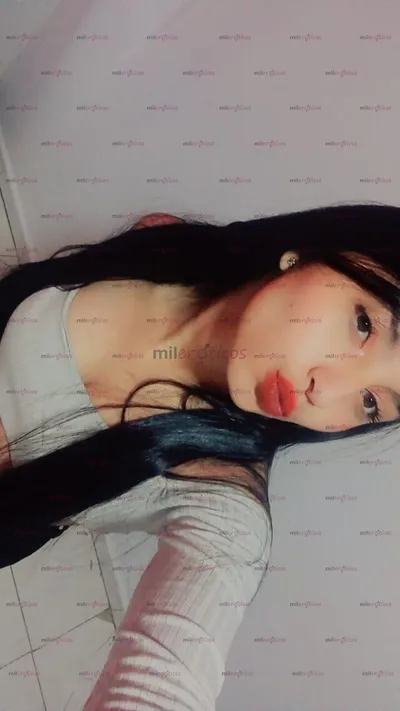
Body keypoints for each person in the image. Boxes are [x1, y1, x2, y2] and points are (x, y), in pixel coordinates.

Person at [1, 204, 400, 710]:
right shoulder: (160, 245)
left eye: (371, 403)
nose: (326, 391)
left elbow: (164, 680)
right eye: (364, 325)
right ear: (306, 254)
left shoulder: (224, 503)